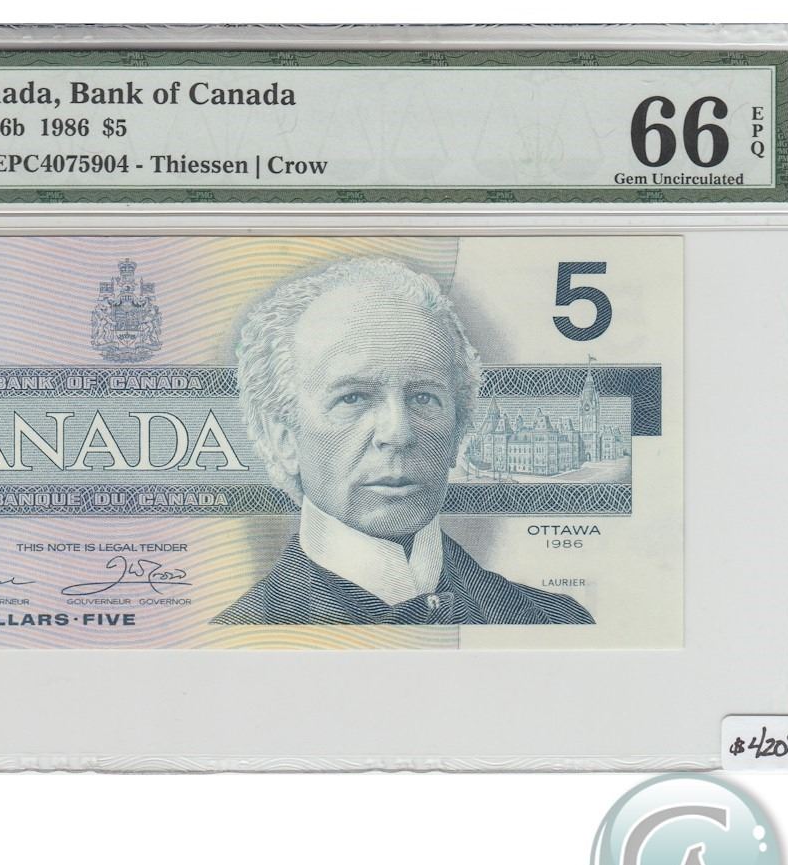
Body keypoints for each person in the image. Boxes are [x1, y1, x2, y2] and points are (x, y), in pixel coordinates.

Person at [213, 257, 593, 626]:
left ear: (458, 430)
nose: (398, 433)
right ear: (282, 438)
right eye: (352, 398)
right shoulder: (234, 638)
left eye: (424, 397)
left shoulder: (558, 622)